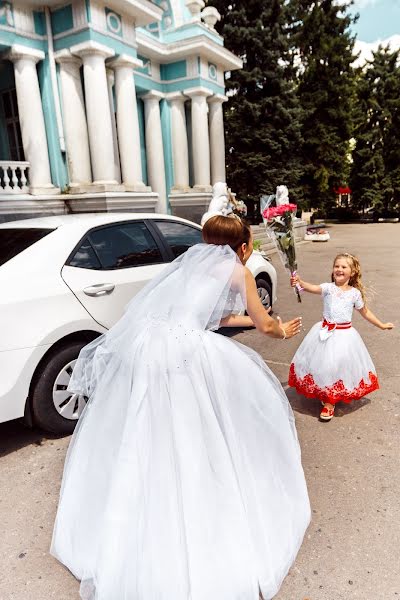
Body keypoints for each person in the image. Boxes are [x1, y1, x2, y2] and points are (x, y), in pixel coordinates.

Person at [51, 189, 311, 600]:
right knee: (199, 423)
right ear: (242, 247)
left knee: (150, 423)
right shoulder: (239, 271)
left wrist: (250, 318)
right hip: (184, 351)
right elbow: (262, 327)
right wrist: (279, 328)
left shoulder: (189, 264)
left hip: (150, 344)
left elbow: (214, 314)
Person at [289, 253, 394, 421]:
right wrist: (299, 282)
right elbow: (311, 287)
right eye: (336, 266)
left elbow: (365, 312)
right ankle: (326, 393)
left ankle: (330, 403)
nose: (339, 269)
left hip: (345, 337)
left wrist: (381, 324)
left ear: (352, 272)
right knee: (324, 365)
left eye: (344, 267)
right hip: (324, 333)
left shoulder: (354, 294)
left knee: (337, 366)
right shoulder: (328, 288)